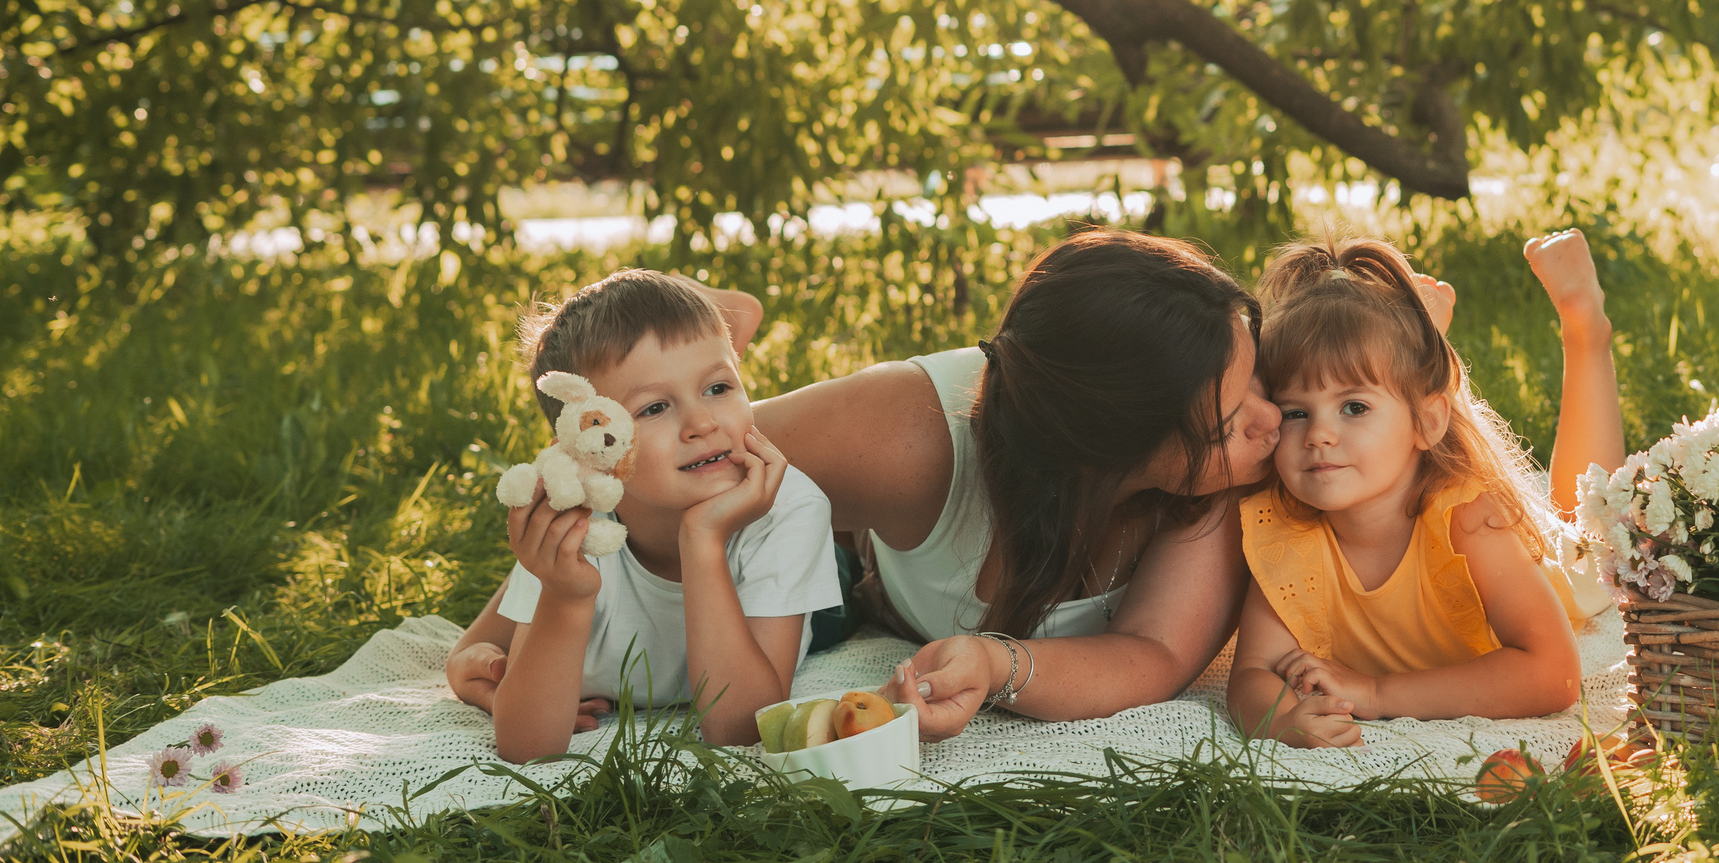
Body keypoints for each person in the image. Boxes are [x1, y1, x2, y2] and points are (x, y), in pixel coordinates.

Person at [449, 230, 1281, 745]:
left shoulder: (1238, 479)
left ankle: (715, 325)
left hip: (815, 574)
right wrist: (483, 646)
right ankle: (710, 320)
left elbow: (1153, 654)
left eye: (1258, 378)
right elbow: (628, 467)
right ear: (1107, 442)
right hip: (842, 564)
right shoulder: (906, 433)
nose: (1273, 419)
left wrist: (998, 662)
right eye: (1229, 416)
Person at [1228, 231, 1624, 748]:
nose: (1319, 434)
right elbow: (1252, 674)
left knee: (1592, 522)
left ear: (1428, 422)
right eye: (1296, 412)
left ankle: (1583, 324)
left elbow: (1554, 676)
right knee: (1391, 380)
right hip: (1413, 432)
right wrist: (1283, 720)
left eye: (1353, 407)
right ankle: (1411, 345)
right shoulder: (1283, 525)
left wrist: (1375, 693)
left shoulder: (1469, 517)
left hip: (1554, 569)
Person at [443, 271, 837, 762]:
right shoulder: (573, 519)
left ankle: (712, 306)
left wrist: (702, 539)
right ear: (588, 448)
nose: (701, 424)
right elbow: (527, 747)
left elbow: (740, 728)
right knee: (475, 652)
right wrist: (565, 597)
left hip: (817, 595)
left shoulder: (789, 508)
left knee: (857, 583)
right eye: (654, 408)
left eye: (719, 387)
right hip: (609, 523)